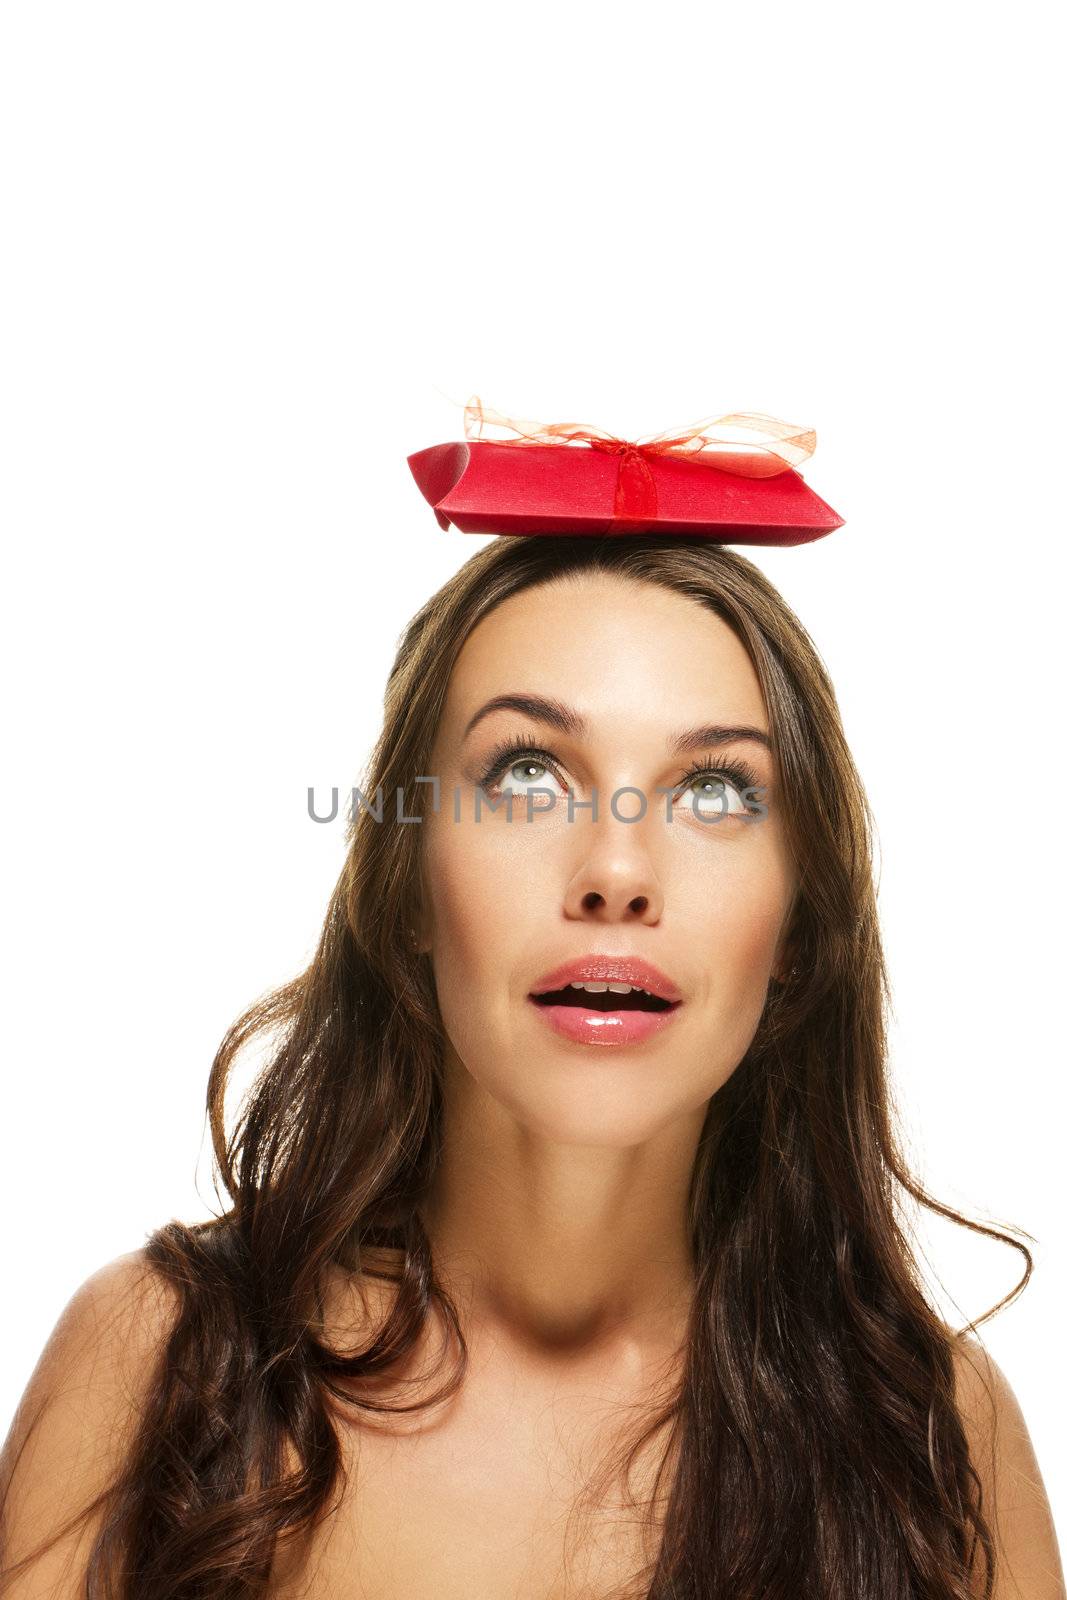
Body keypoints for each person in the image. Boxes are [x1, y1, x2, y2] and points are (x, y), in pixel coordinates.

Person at [1, 411, 1063, 1599]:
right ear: (403, 887)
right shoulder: (157, 1367)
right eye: (526, 775)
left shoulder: (931, 1434)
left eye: (713, 789)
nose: (615, 870)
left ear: (799, 931)